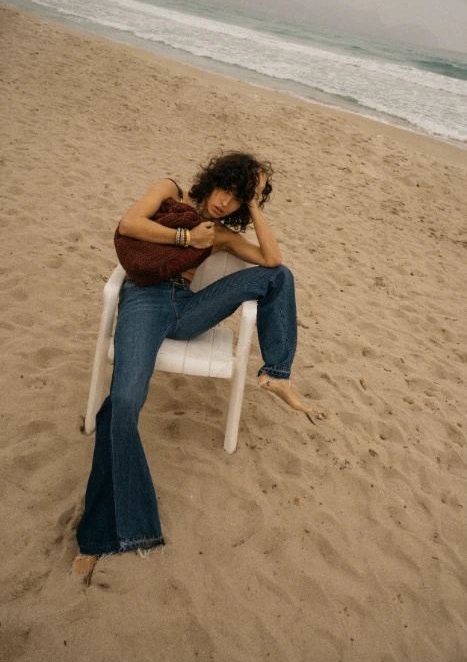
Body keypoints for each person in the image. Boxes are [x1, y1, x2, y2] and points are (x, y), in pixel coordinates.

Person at [73, 151, 310, 575]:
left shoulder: (223, 234)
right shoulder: (170, 191)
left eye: (238, 199)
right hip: (145, 301)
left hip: (188, 308)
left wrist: (255, 206)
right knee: (124, 402)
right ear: (213, 179)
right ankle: (106, 534)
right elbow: (129, 225)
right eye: (226, 190)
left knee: (280, 277)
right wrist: (188, 239)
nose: (225, 202)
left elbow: (273, 261)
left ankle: (275, 373)